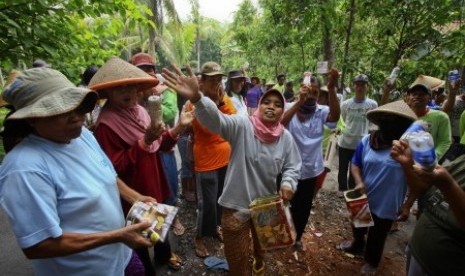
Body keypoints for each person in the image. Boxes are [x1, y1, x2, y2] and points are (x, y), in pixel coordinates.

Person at [0, 67, 155, 276]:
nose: (75, 117)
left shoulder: (82, 136)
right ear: (32, 118)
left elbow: (107, 176)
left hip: (121, 257)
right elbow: (38, 245)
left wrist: (136, 198)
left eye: (75, 105)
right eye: (60, 111)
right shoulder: (25, 168)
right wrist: (116, 236)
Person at [162, 64, 301, 275]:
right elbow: (216, 121)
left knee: (263, 245)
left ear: (283, 110)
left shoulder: (285, 138)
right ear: (259, 106)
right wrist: (198, 99)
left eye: (277, 104)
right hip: (237, 206)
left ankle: (259, 261)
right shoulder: (243, 126)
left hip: (267, 206)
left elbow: (292, 166)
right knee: (237, 259)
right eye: (267, 102)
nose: (271, 107)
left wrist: (289, 183)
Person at [89, 57, 191, 273]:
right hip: (132, 188)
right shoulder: (106, 125)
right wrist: (143, 142)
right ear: (108, 93)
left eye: (131, 86)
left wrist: (179, 126)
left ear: (138, 89)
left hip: (153, 177)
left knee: (159, 221)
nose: (127, 92)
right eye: (119, 88)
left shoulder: (141, 112)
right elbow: (113, 169)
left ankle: (164, 256)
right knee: (139, 236)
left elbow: (159, 144)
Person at [336, 100, 417, 275]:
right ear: (380, 121)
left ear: (404, 125)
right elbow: (355, 163)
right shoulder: (367, 140)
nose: (389, 123)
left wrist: (407, 205)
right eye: (386, 119)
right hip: (363, 194)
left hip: (388, 201)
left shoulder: (409, 149)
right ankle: (357, 244)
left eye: (395, 120)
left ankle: (371, 261)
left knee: (378, 234)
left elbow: (417, 181)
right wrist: (358, 181)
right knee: (358, 223)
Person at [281, 69, 340, 252]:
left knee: (303, 207)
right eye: (308, 91)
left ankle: (297, 237)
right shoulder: (289, 107)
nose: (312, 96)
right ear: (301, 89)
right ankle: (282, 234)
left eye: (315, 92)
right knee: (283, 202)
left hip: (310, 169)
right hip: (287, 168)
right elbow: (280, 124)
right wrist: (299, 101)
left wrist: (331, 89)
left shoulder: (322, 111)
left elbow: (335, 118)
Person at [130, 53, 185, 236]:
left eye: (148, 69)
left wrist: (154, 99)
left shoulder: (164, 88)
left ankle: (169, 224)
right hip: (141, 154)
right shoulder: (130, 100)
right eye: (141, 70)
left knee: (168, 186)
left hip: (163, 146)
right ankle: (155, 234)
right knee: (150, 194)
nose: (145, 73)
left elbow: (169, 114)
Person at [391, 139, 465, 275]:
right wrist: (407, 164)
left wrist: (447, 185)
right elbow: (425, 189)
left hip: (445, 267)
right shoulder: (462, 159)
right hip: (418, 252)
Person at [187, 61, 236, 258]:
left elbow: (233, 122)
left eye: (219, 79)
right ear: (202, 81)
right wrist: (216, 103)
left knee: (219, 199)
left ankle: (214, 228)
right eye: (212, 80)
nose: (217, 84)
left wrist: (220, 102)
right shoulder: (194, 103)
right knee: (205, 203)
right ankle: (198, 237)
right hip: (206, 161)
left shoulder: (225, 100)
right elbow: (209, 129)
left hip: (225, 159)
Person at [337, 74, 378, 197]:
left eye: (363, 85)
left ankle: (352, 188)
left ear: (367, 87)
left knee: (356, 168)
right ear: (354, 86)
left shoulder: (372, 105)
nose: (360, 87)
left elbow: (373, 125)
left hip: (361, 143)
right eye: (357, 84)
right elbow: (341, 121)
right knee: (343, 167)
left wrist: (372, 142)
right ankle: (342, 188)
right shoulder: (345, 104)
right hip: (345, 141)